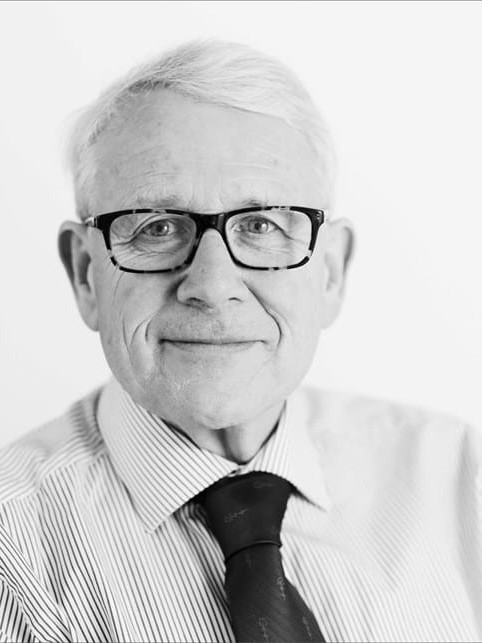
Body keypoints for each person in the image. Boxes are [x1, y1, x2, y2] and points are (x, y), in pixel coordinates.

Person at [0, 39, 480, 643]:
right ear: (85, 274)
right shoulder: (11, 557)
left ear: (329, 273)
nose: (212, 285)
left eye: (261, 226)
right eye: (158, 227)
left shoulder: (460, 478)